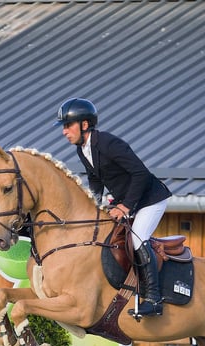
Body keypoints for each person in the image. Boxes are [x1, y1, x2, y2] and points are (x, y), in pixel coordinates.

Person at [54, 97, 172, 318]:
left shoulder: (109, 143)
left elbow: (141, 174)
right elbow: (96, 181)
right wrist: (95, 207)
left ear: (85, 124)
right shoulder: (83, 150)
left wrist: (125, 206)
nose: (64, 132)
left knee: (137, 239)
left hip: (151, 199)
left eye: (67, 125)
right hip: (127, 200)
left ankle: (154, 299)